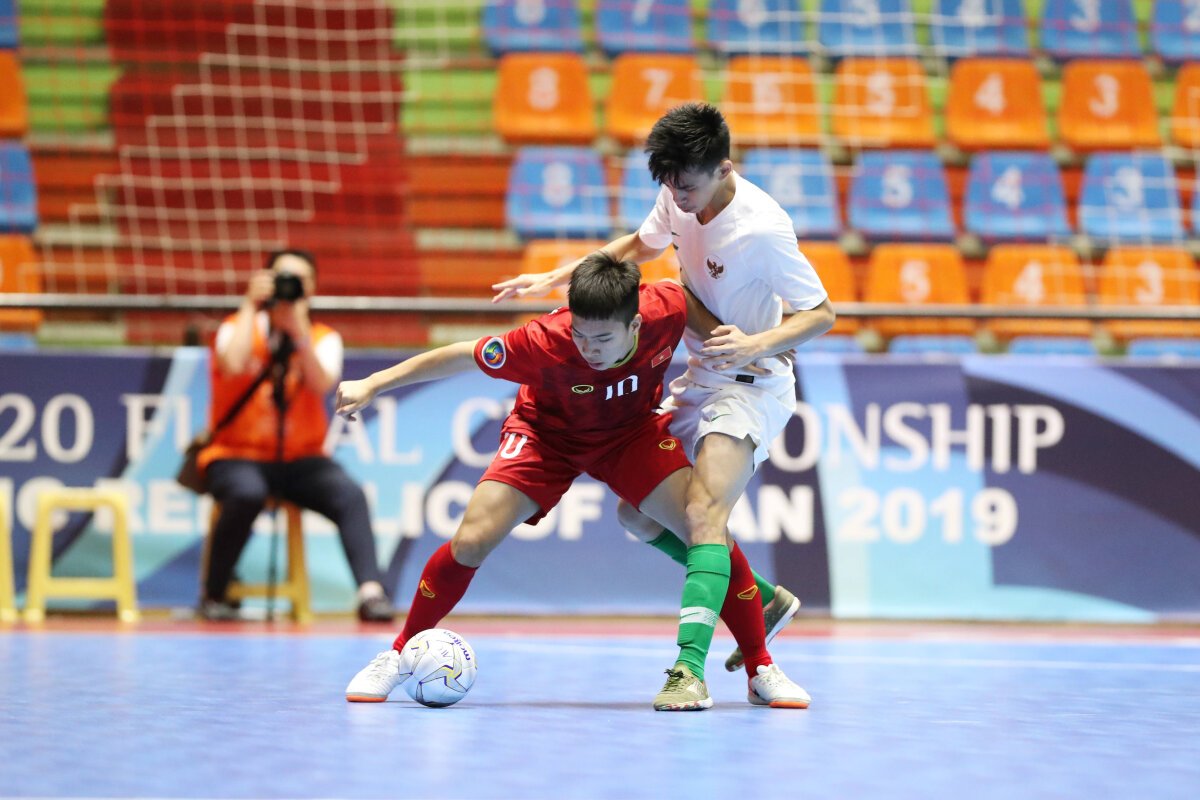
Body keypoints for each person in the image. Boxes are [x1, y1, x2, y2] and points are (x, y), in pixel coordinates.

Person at [339, 253, 810, 710]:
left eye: (603, 338)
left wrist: (753, 345)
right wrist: (372, 384)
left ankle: (760, 668)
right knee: (472, 539)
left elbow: (688, 300)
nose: (589, 349)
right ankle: (397, 654)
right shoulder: (542, 341)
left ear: (635, 324)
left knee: (702, 523)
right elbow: (461, 355)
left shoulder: (665, 308)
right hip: (545, 436)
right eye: (581, 335)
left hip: (629, 436)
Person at [492, 102, 835, 704]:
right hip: (702, 375)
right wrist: (554, 279)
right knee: (637, 516)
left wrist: (757, 342)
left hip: (751, 382)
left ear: (724, 168)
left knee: (704, 512)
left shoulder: (763, 228)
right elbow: (639, 245)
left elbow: (822, 313)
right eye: (669, 184)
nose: (677, 196)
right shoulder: (677, 193)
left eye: (688, 186)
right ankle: (760, 595)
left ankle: (691, 671)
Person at [197, 249, 395, 623]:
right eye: (281, 277)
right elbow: (233, 363)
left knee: (350, 495)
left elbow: (322, 383)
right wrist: (249, 305)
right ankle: (214, 594)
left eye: (299, 280)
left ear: (312, 289)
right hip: (235, 454)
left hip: (301, 459)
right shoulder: (235, 326)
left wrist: (298, 333)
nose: (288, 286)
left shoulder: (322, 337)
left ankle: (371, 593)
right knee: (247, 492)